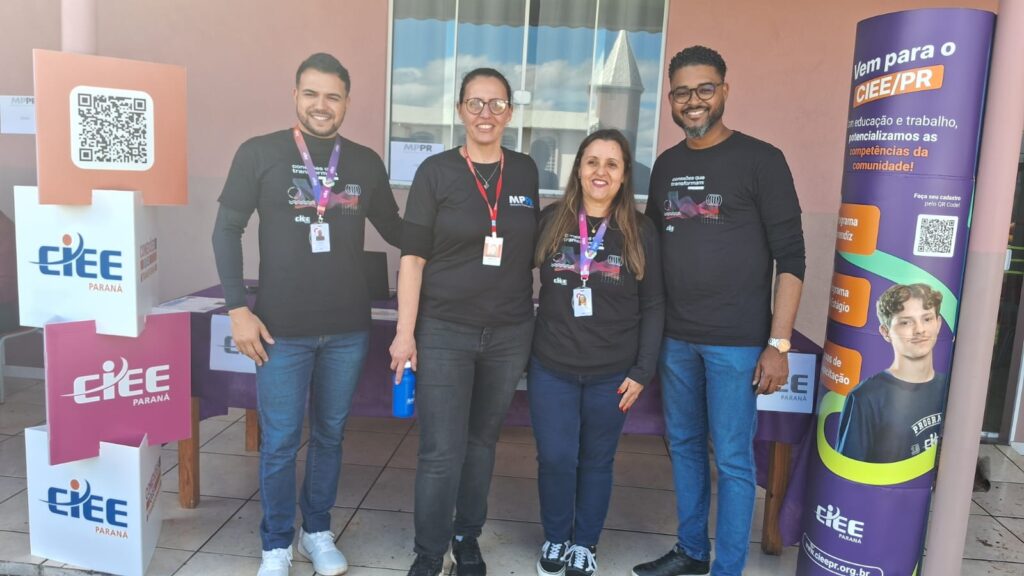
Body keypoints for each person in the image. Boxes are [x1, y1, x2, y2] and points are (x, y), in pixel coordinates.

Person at [212, 53, 402, 576]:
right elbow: (226, 230)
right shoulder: (259, 153)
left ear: (347, 102)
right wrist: (237, 308)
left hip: (347, 330)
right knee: (278, 443)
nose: (322, 105)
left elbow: (396, 230)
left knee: (330, 436)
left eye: (333, 96)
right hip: (280, 330)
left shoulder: (364, 162)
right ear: (295, 95)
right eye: (312, 94)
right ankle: (275, 543)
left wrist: (462, 232)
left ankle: (316, 531)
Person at [633, 46, 805, 576]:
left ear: (724, 90)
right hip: (675, 340)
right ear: (670, 100)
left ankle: (728, 567)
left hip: (737, 344)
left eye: (705, 89)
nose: (694, 101)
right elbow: (651, 247)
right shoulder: (666, 166)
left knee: (732, 458)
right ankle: (691, 551)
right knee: (684, 446)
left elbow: (792, 258)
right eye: (682, 92)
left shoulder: (762, 160)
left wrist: (778, 344)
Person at [389, 68, 540, 576]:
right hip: (445, 330)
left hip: (509, 332)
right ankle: (430, 551)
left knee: (481, 444)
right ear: (460, 110)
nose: (485, 114)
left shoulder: (525, 171)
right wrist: (405, 334)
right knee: (440, 450)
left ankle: (466, 537)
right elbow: (413, 258)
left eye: (496, 104)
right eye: (475, 103)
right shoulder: (435, 172)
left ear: (510, 113)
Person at [530, 129, 664, 576]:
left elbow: (654, 304)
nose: (600, 172)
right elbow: (509, 275)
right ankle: (556, 537)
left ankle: (585, 544)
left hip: (613, 373)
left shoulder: (640, 231)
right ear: (578, 169)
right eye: (592, 161)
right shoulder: (551, 220)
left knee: (596, 461)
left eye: (612, 164)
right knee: (555, 457)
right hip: (552, 366)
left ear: (624, 175)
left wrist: (642, 370)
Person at [836, 283, 948, 463]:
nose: (920, 329)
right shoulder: (865, 397)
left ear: (938, 324)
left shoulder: (950, 388)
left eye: (927, 319)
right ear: (885, 332)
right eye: (906, 322)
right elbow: (848, 471)